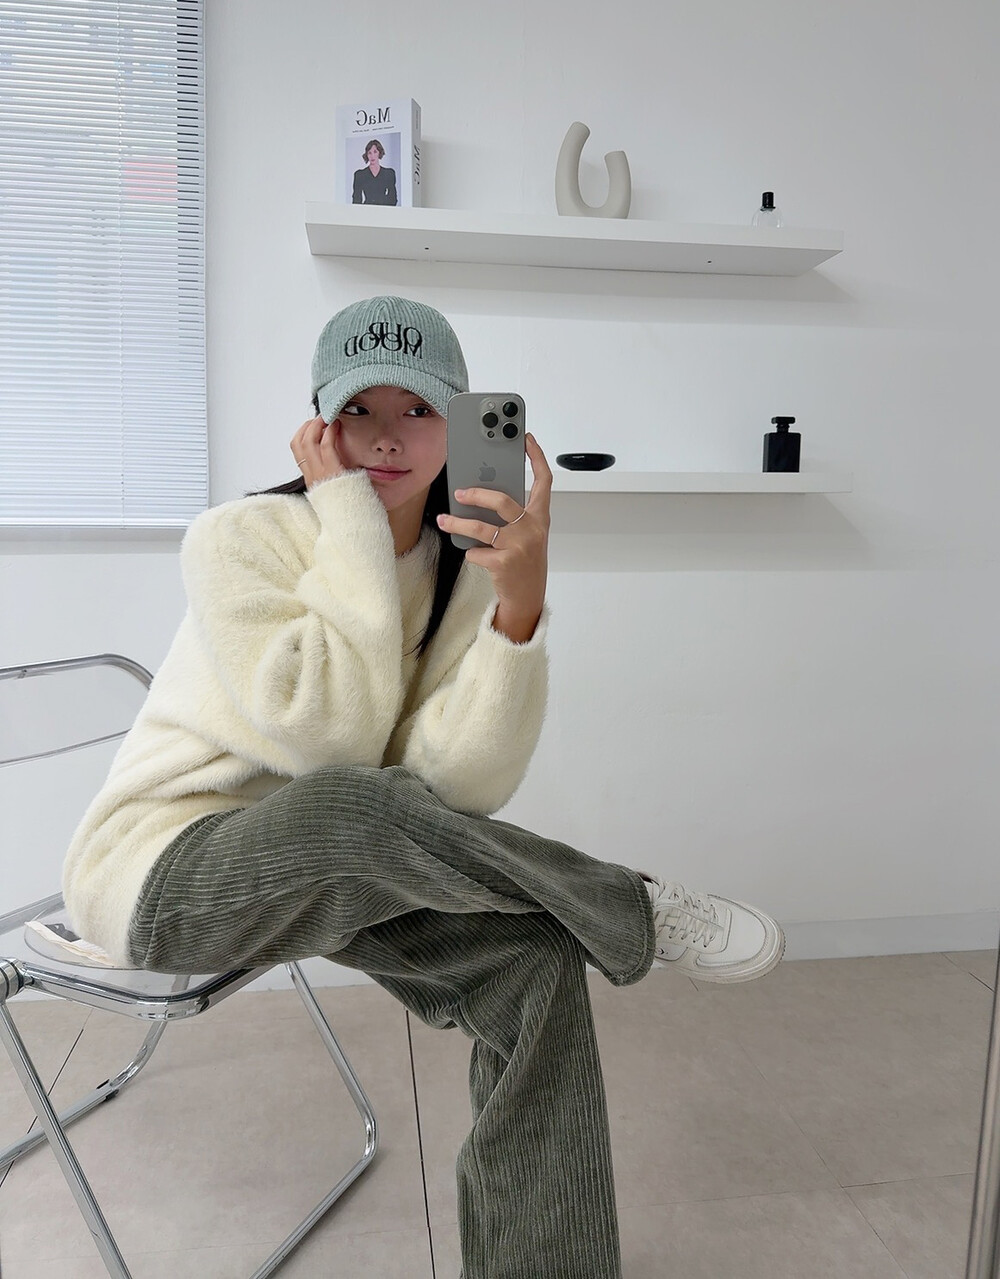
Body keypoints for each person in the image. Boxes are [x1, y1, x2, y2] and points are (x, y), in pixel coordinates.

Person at [61, 295, 784, 1279]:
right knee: (346, 803)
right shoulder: (238, 538)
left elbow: (456, 783)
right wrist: (350, 520)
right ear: (319, 427)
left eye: (418, 410)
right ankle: (628, 904)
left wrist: (518, 611)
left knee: (534, 960)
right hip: (166, 875)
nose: (387, 438)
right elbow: (331, 738)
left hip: (341, 863)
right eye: (359, 410)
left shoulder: (462, 567)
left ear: (461, 425)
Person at [352, 138, 397, 205]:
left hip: (384, 209)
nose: (372, 156)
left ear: (379, 153)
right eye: (369, 153)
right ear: (367, 155)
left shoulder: (389, 173)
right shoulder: (360, 175)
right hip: (366, 209)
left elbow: (393, 198)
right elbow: (356, 199)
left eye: (375, 152)